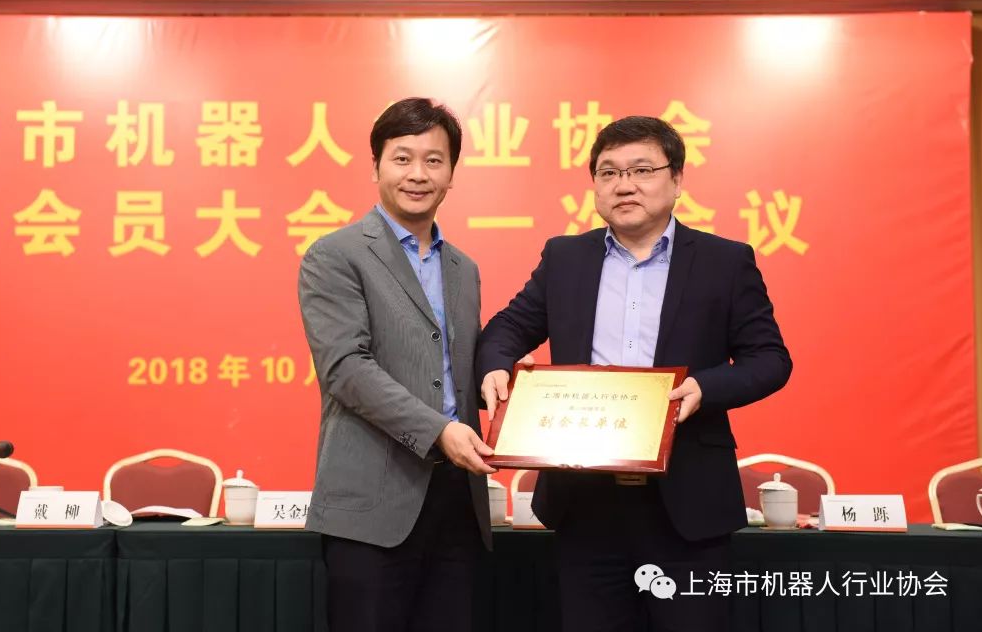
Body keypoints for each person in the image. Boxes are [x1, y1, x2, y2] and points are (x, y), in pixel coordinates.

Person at [477, 115, 792, 632]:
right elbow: (507, 328)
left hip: (687, 504)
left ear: (677, 179)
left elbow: (770, 359)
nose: (624, 185)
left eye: (642, 170)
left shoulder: (725, 261)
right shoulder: (565, 257)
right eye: (608, 172)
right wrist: (495, 366)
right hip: (585, 503)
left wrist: (705, 388)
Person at [298, 97, 494, 632]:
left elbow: (457, 372)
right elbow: (346, 368)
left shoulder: (464, 268)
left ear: (451, 173)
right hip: (373, 504)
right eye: (402, 158)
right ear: (376, 167)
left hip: (457, 502)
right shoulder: (335, 254)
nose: (417, 174)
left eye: (434, 160)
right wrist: (440, 432)